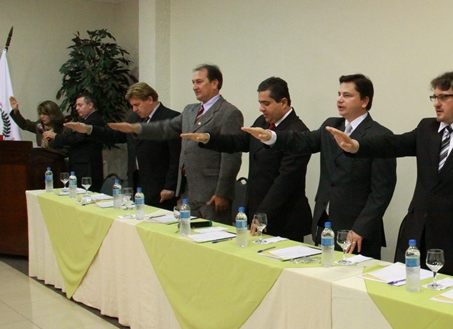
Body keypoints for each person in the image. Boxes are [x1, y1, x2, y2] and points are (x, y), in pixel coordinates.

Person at [327, 71, 453, 281]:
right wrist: (356, 145)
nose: (436, 103)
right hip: (415, 239)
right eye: (435, 97)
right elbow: (393, 143)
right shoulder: (427, 128)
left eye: (444, 97)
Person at [242, 74, 397, 259]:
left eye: (347, 95)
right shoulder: (331, 126)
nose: (340, 99)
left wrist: (360, 228)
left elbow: (382, 192)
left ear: (364, 101)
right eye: (339, 94)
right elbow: (303, 140)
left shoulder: (380, 136)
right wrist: (272, 137)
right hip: (325, 223)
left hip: (356, 231)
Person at [108, 64, 243, 224]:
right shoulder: (190, 110)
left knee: (212, 234)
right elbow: (166, 128)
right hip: (187, 191)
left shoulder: (229, 113)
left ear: (214, 83)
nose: (194, 87)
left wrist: (223, 192)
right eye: (193, 82)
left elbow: (231, 157)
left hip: (211, 192)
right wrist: (136, 128)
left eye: (199, 82)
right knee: (186, 233)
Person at [182, 77, 312, 240]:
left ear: (283, 102)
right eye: (260, 103)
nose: (261, 108)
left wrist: (262, 214)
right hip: (257, 209)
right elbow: (240, 141)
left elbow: (285, 181)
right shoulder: (263, 122)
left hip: (283, 217)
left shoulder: (298, 132)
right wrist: (209, 138)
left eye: (266, 103)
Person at [63, 82, 180, 209]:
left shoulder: (170, 117)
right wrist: (89, 129)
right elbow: (116, 136)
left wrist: (170, 186)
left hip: (160, 184)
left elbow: (176, 156)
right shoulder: (135, 118)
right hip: (137, 181)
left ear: (150, 99)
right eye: (132, 106)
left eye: (137, 105)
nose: (134, 109)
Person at [47, 94, 105, 191]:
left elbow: (77, 138)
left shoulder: (93, 120)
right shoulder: (86, 120)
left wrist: (55, 136)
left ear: (90, 105)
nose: (77, 108)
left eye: (80, 105)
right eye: (76, 105)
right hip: (82, 166)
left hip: (87, 168)